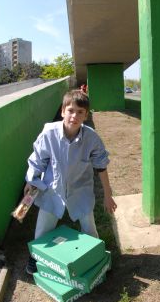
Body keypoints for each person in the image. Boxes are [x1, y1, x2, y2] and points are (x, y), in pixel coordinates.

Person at [23, 89, 117, 273]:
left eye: (80, 112)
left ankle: (96, 258)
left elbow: (101, 165)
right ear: (62, 111)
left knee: (89, 226)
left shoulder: (91, 138)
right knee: (43, 227)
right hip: (52, 189)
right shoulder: (49, 134)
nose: (74, 116)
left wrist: (108, 195)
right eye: (71, 110)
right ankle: (36, 257)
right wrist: (30, 180)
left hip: (80, 189)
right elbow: (37, 159)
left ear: (86, 115)